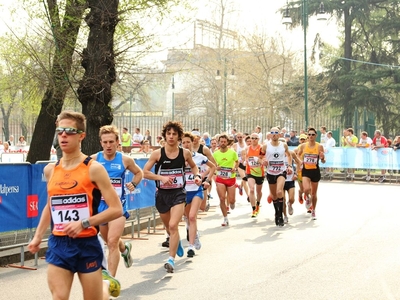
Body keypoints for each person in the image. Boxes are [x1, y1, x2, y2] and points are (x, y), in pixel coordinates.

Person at [28, 110, 122, 300]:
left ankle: (104, 286)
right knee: (60, 296)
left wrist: (84, 223)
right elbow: (50, 206)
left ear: (81, 136)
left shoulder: (94, 169)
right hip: (59, 243)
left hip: (87, 242)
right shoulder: (50, 170)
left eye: (69, 131)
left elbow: (116, 209)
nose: (63, 135)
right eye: (60, 131)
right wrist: (38, 236)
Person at [143, 121, 202, 273]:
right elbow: (145, 172)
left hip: (178, 193)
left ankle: (171, 259)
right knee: (169, 226)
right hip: (162, 194)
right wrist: (161, 178)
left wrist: (197, 176)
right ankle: (176, 242)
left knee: (173, 225)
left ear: (179, 137)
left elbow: (194, 166)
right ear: (165, 136)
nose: (171, 136)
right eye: (168, 134)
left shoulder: (184, 153)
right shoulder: (157, 154)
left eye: (174, 134)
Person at [91, 125, 143, 277]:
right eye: (105, 142)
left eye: (111, 142)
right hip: (100, 206)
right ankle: (125, 249)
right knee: (110, 241)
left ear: (117, 142)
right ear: (101, 142)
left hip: (118, 206)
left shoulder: (125, 160)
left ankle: (110, 281)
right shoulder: (94, 160)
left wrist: (133, 183)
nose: (108, 145)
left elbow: (139, 173)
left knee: (112, 242)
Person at [181, 132, 215, 257]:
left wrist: (206, 179)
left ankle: (190, 247)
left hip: (196, 190)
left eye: (188, 142)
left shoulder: (199, 156)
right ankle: (194, 235)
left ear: (192, 143)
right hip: (183, 192)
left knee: (191, 216)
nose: (186, 144)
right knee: (187, 218)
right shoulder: (177, 158)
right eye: (183, 142)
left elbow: (213, 167)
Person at [263, 127, 293, 226]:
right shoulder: (265, 146)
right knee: (274, 196)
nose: (274, 134)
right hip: (270, 172)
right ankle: (277, 213)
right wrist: (263, 161)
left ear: (279, 134)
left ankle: (280, 215)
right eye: (272, 133)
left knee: (279, 191)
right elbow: (260, 157)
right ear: (270, 135)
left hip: (281, 171)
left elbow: (289, 155)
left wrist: (289, 166)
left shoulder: (283, 145)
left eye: (276, 132)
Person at [296, 127, 326, 220]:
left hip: (315, 171)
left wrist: (322, 158)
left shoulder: (319, 146)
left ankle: (313, 210)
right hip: (306, 170)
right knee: (306, 189)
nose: (311, 136)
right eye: (309, 134)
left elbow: (323, 161)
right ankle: (307, 198)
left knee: (314, 193)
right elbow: (298, 155)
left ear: (316, 136)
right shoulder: (303, 146)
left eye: (313, 134)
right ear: (307, 135)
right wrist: (300, 161)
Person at [213, 134, 239, 226]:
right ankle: (225, 218)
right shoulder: (215, 153)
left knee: (231, 200)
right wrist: (216, 167)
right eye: (221, 142)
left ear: (227, 142)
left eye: (224, 142)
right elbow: (213, 164)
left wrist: (234, 168)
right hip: (220, 178)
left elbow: (237, 162)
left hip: (231, 178)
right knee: (222, 198)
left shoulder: (232, 152)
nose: (223, 143)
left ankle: (232, 203)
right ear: (219, 142)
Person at [242, 133, 265, 218]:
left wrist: (259, 160)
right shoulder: (247, 148)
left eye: (256, 138)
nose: (254, 139)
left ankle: (258, 204)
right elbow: (245, 158)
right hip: (250, 172)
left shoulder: (261, 148)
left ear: (258, 139)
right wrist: (245, 161)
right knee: (251, 189)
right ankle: (253, 208)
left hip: (259, 172)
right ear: (250, 139)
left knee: (258, 192)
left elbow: (264, 159)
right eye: (252, 138)